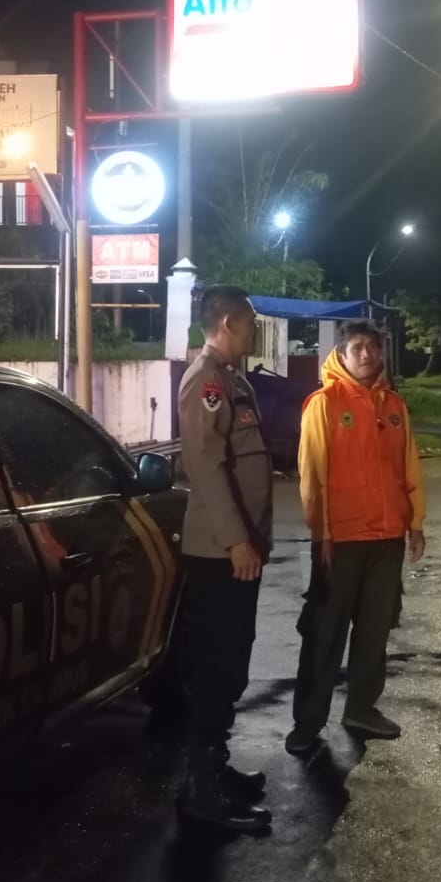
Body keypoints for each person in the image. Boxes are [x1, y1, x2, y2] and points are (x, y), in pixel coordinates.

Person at [285, 320, 426, 755]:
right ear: (342, 355)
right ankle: (307, 723)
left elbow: (409, 466)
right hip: (340, 540)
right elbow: (312, 474)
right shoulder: (324, 404)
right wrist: (322, 532)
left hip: (387, 539)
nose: (366, 354)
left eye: (372, 347)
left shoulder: (394, 406)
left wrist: (415, 522)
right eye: (358, 347)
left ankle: (362, 708)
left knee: (374, 631)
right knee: (324, 634)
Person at [175, 285, 274, 834]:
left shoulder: (232, 379)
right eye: (251, 322)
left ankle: (214, 767)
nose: (255, 330)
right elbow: (207, 467)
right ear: (230, 323)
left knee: (232, 661)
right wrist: (238, 540)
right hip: (220, 551)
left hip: (238, 548)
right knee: (217, 667)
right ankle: (200, 790)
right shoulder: (207, 381)